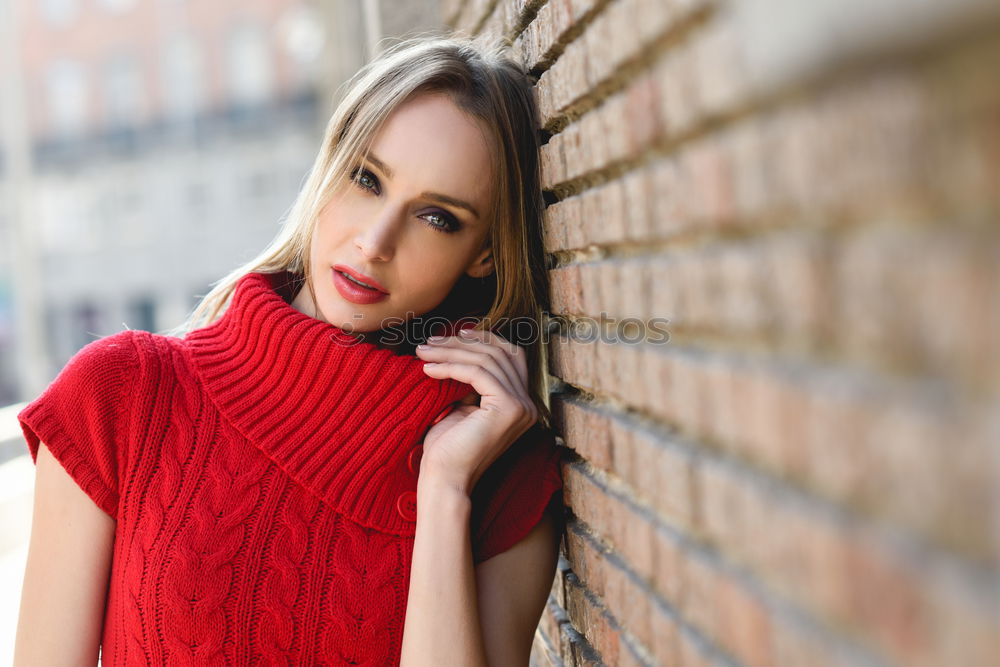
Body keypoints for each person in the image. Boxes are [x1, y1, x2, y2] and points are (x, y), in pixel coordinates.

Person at [14, 35, 565, 666]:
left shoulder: (505, 472)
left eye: (437, 217)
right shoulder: (121, 396)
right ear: (329, 169)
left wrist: (443, 493)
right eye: (366, 179)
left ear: (486, 254)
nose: (375, 242)